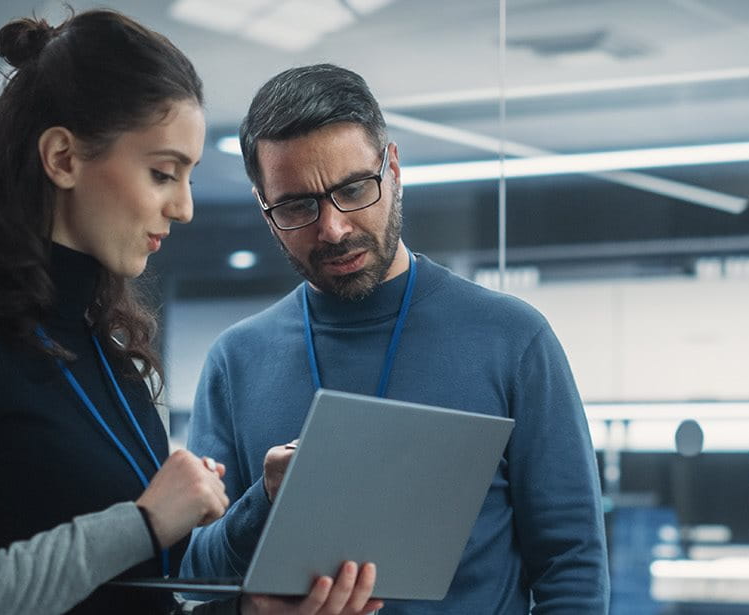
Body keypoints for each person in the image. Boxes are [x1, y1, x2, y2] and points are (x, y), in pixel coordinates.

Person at [0, 12, 380, 615]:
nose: (183, 208)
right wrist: (144, 523)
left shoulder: (115, 357)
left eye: (187, 177)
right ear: (63, 158)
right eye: (161, 173)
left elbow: (128, 600)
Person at [181, 64, 609, 614]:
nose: (332, 229)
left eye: (354, 189)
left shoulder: (512, 339)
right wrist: (263, 501)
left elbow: (570, 565)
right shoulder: (237, 361)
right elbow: (195, 579)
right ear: (266, 210)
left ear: (394, 170)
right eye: (296, 207)